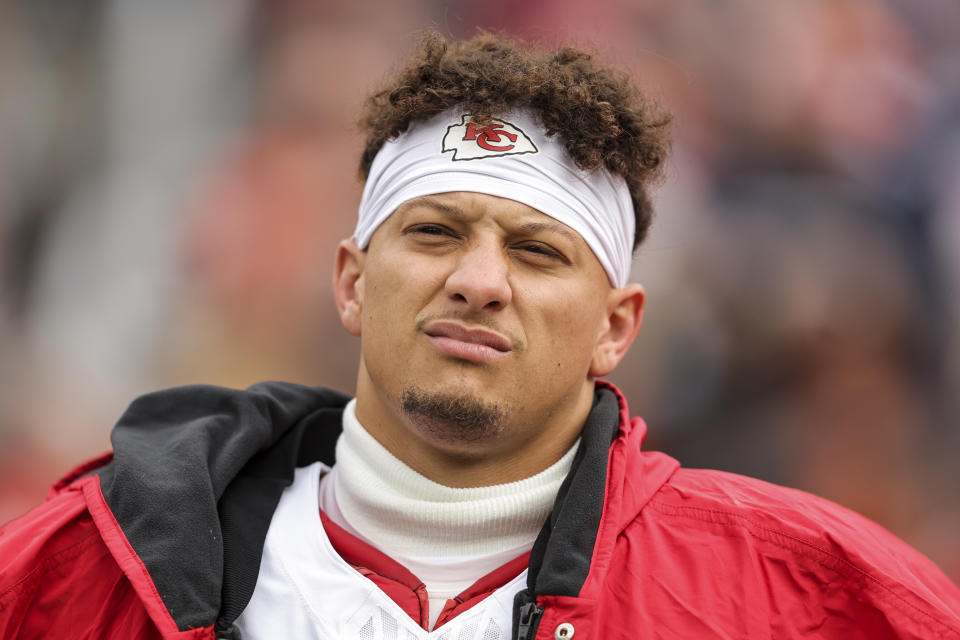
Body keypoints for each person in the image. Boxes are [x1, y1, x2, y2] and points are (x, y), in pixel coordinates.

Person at [2, 32, 959, 640]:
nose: (479, 281)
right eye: (434, 232)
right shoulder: (77, 570)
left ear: (616, 329)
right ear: (351, 281)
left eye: (540, 252)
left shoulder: (812, 595)